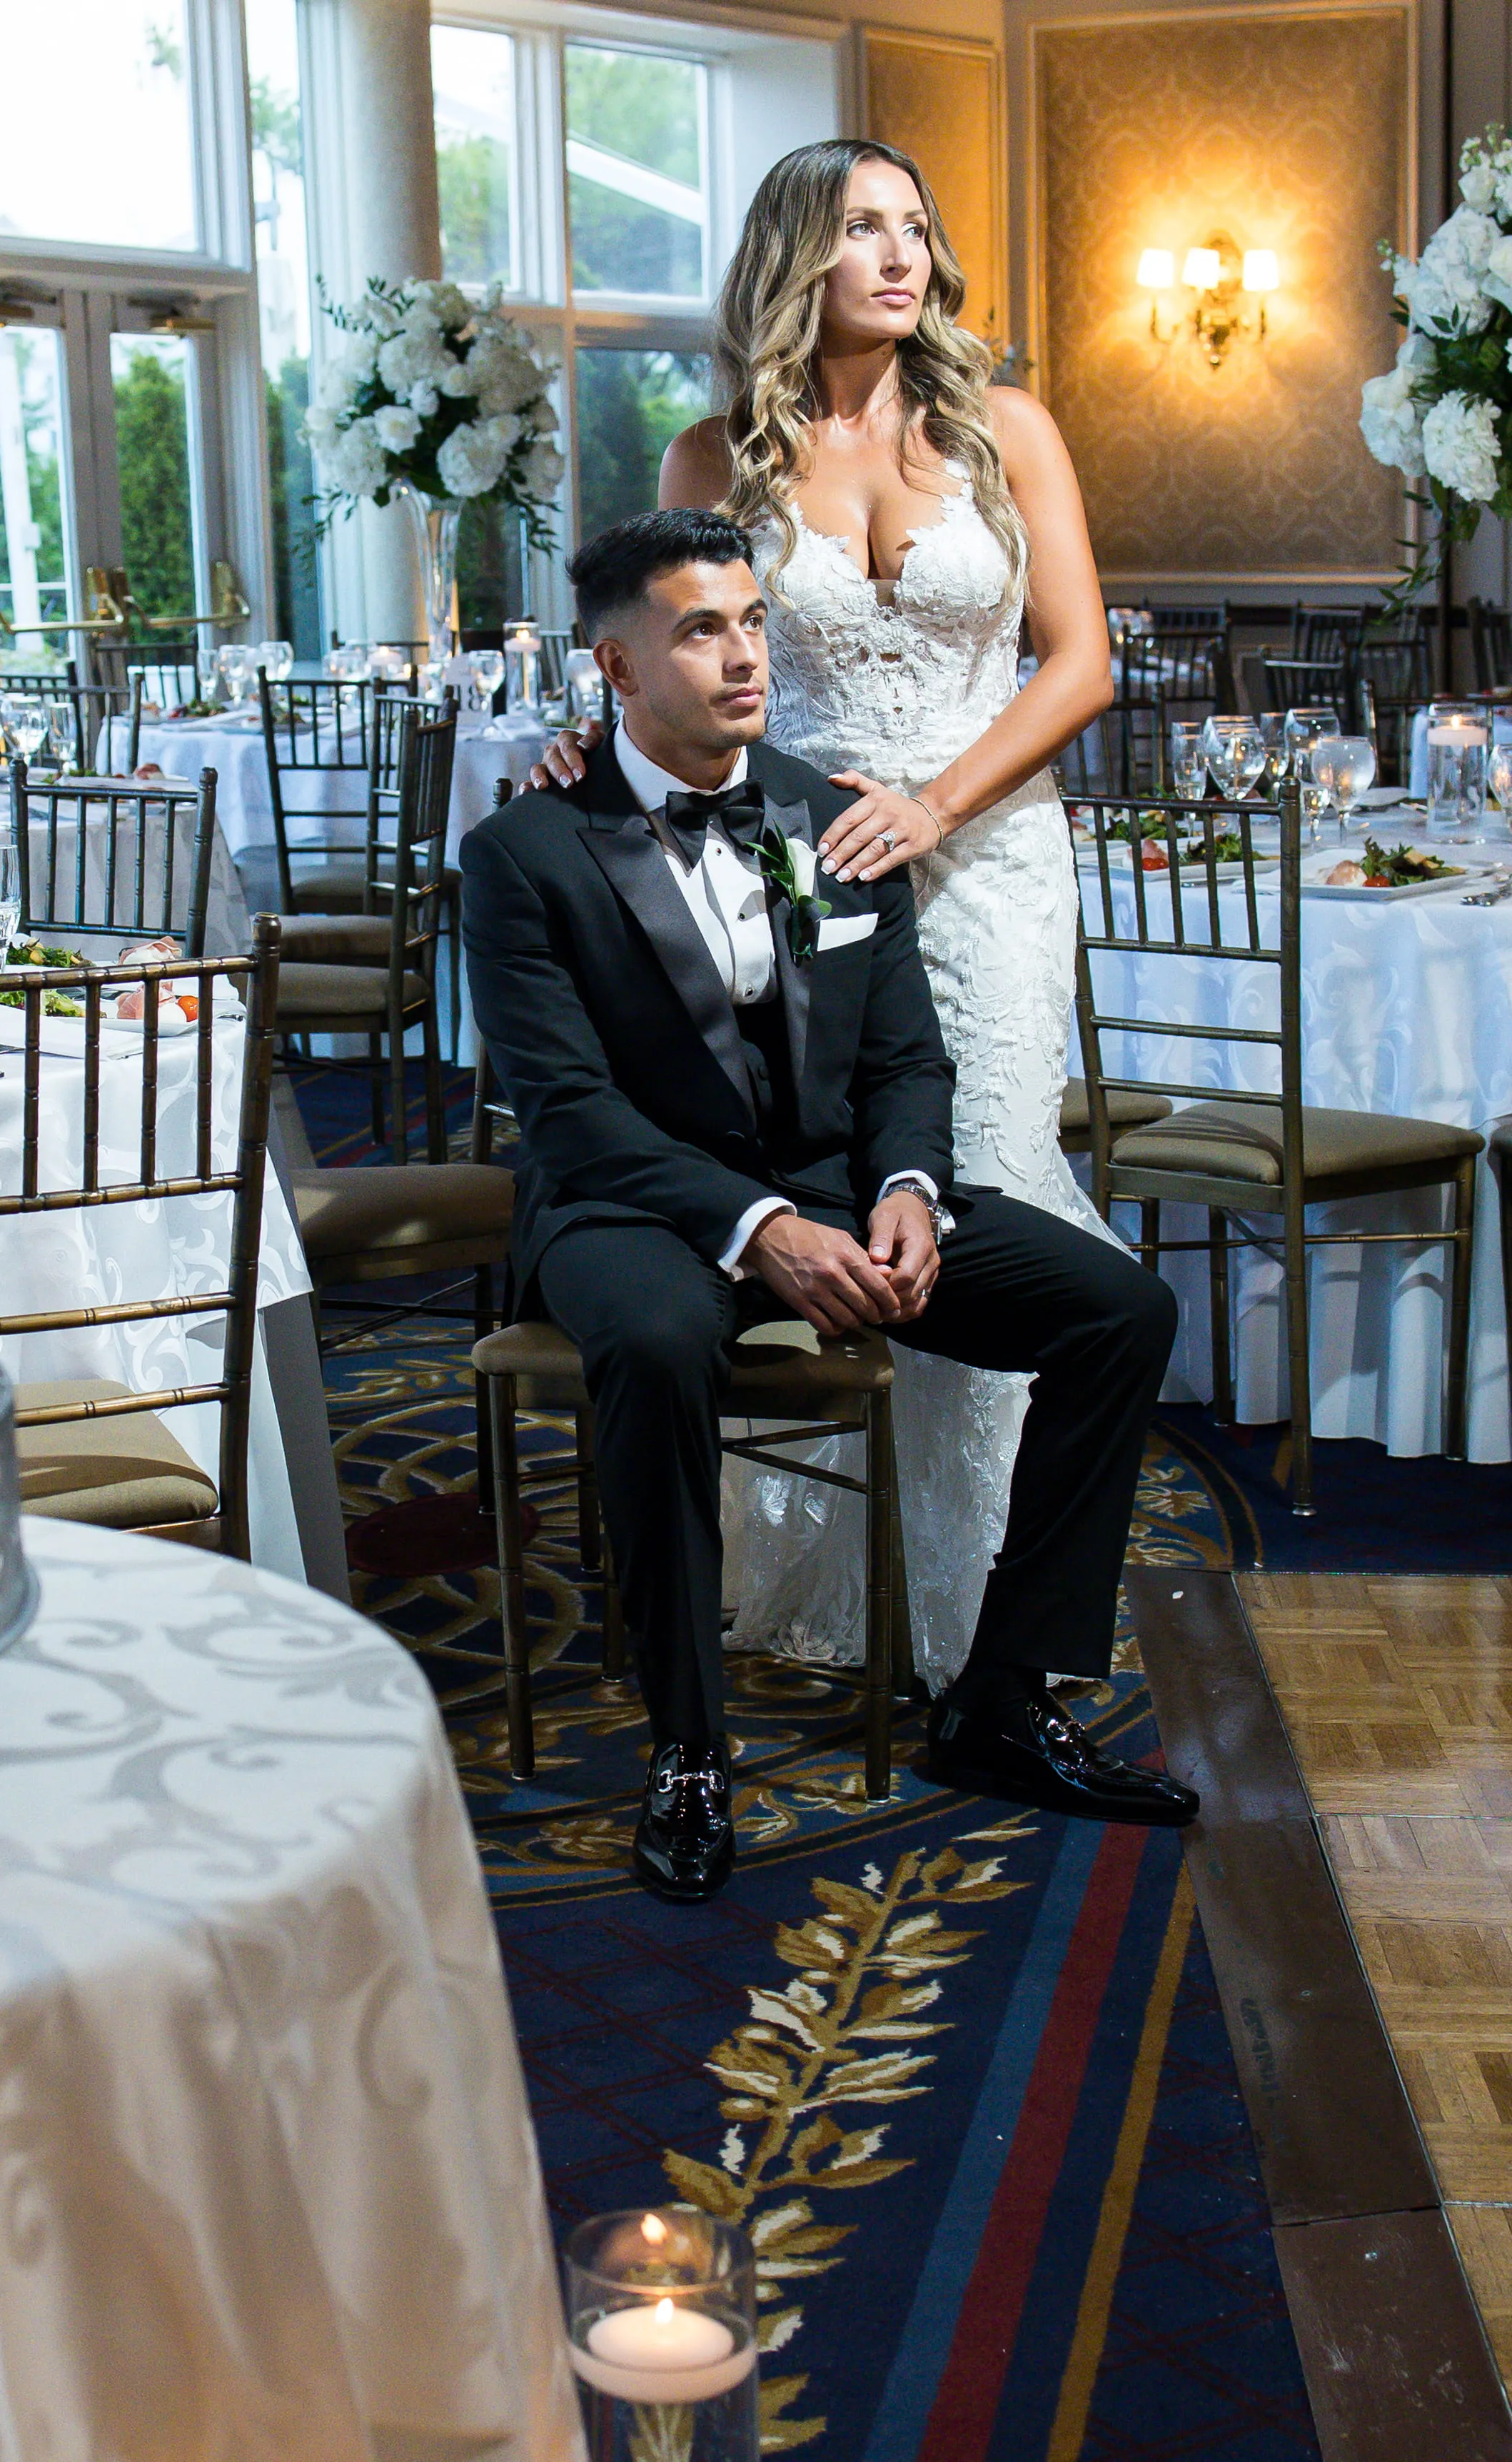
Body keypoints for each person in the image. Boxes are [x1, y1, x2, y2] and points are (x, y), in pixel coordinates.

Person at [463, 509, 1190, 1905]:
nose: (746, 655)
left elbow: (908, 1056)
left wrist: (909, 1187)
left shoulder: (826, 813)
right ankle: (687, 1745)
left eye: (751, 620)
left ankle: (1003, 1694)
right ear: (615, 665)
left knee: (1118, 1306)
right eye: (702, 629)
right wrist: (760, 1230)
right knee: (665, 1341)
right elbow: (568, 1114)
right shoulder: (526, 853)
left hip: (836, 1189)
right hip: (629, 1210)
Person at [529, 136, 1126, 1689]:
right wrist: (590, 744)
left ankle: (977, 1612)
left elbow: (1081, 663)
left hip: (989, 864)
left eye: (916, 226)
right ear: (801, 253)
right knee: (825, 1174)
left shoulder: (1006, 428)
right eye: (863, 227)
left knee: (975, 1187)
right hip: (795, 870)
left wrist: (936, 802)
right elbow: (671, 652)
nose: (900, 254)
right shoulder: (712, 461)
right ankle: (837, 1561)